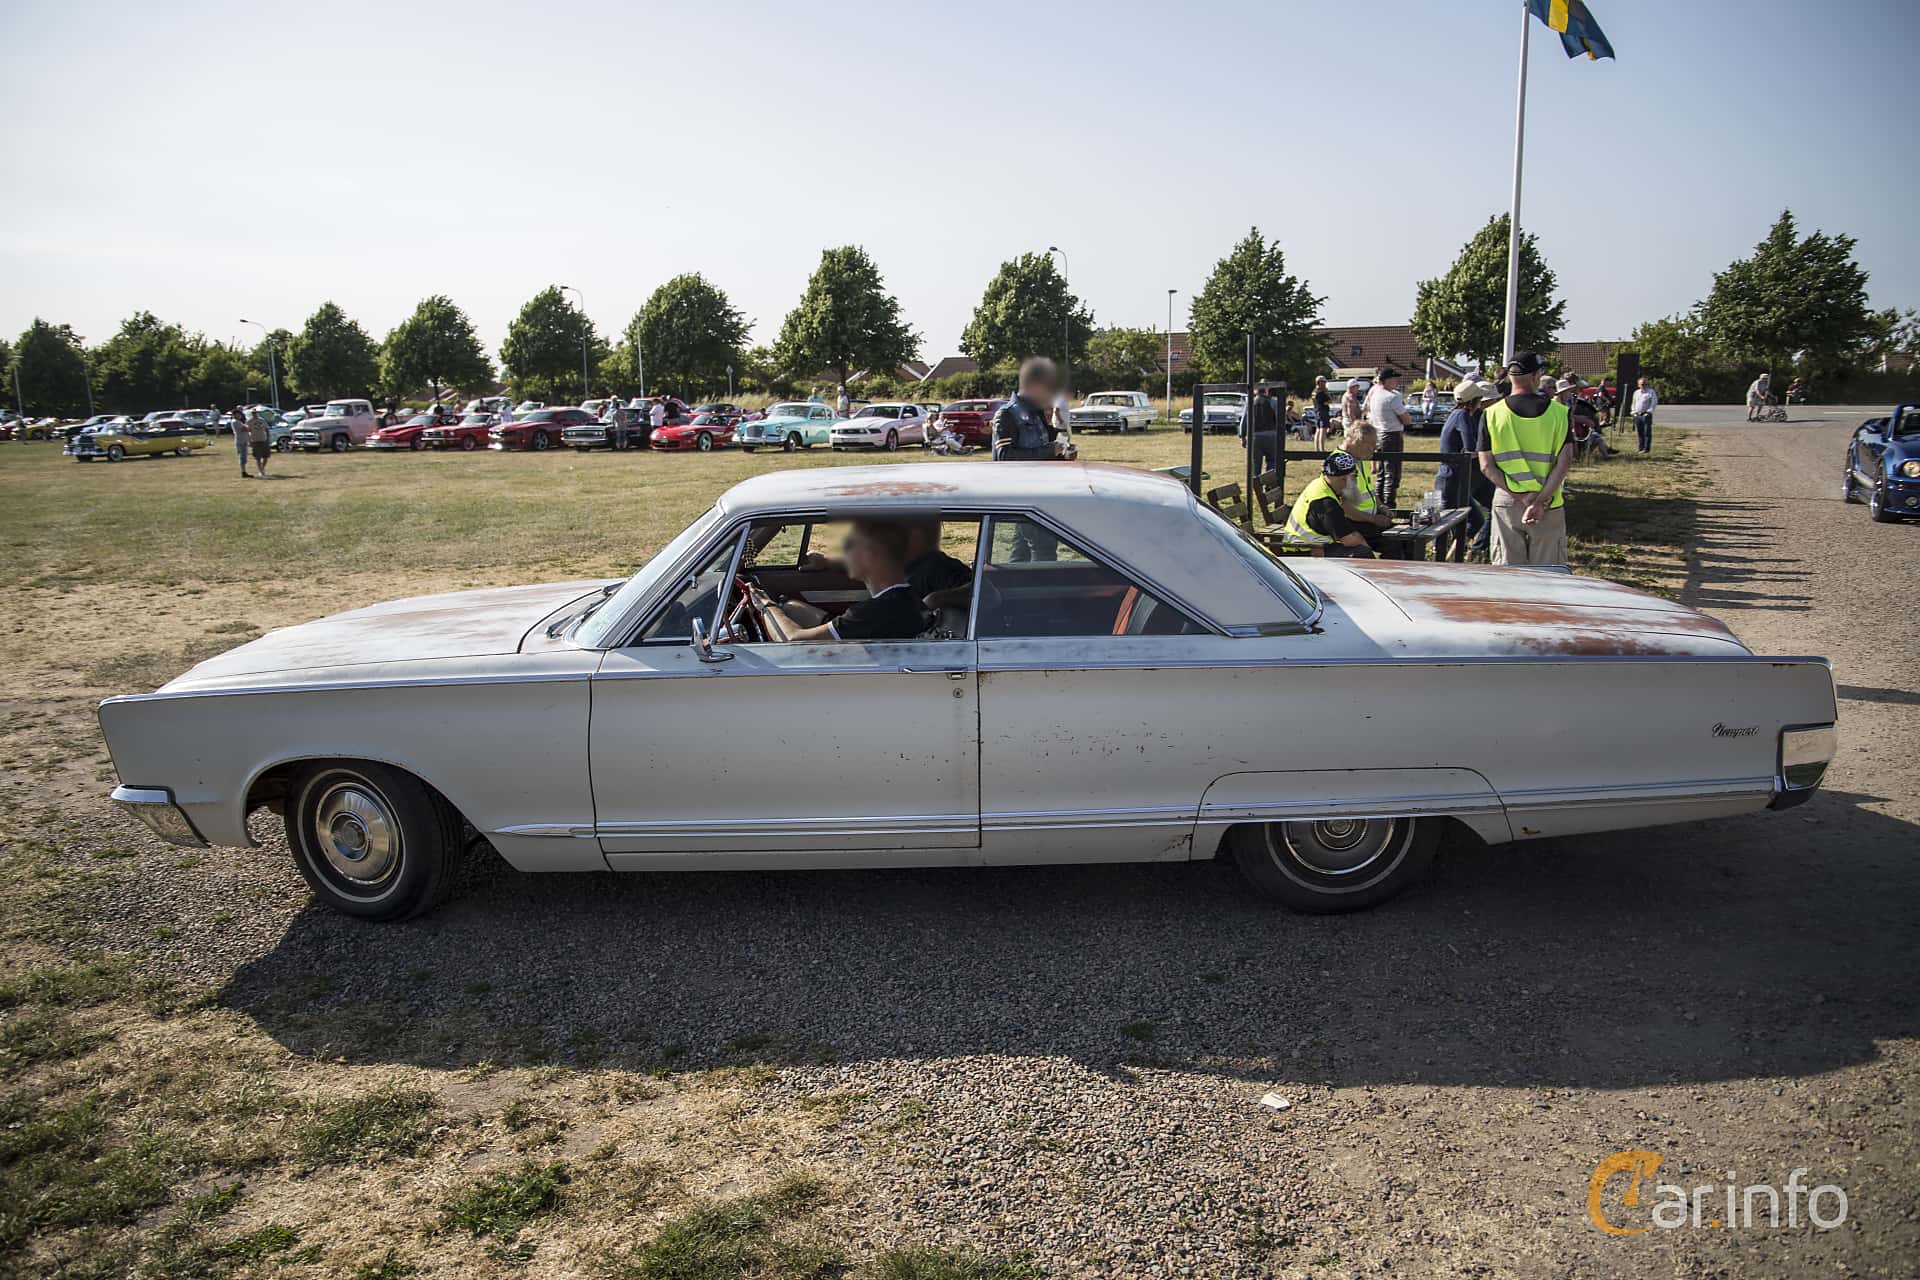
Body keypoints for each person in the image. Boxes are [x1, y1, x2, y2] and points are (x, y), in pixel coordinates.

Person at [1477, 352, 1575, 566]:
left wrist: (1521, 497)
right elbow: (1565, 461)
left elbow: (1486, 466)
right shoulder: (1559, 412)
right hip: (1549, 502)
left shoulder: (1492, 414)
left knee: (1508, 577)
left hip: (1508, 502)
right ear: (1536, 375)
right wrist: (1539, 501)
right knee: (1549, 574)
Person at [763, 521, 926, 642]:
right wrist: (826, 562)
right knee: (792, 607)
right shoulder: (906, 598)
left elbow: (794, 641)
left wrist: (766, 606)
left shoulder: (873, 613)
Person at [1282, 446, 1390, 556]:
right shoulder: (1326, 502)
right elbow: (1350, 540)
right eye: (1354, 476)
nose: (1356, 481)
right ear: (1343, 479)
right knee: (1362, 553)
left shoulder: (1323, 485)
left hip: (1315, 545)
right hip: (1304, 552)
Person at [1436, 380, 1494, 560]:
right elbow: (1471, 447)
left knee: (1474, 521)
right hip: (1454, 478)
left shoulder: (1455, 413)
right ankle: (1447, 558)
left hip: (1452, 477)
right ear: (1474, 400)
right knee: (1451, 524)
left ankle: (1453, 556)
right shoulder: (1463, 415)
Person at [1364, 366, 1413, 508]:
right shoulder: (1392, 397)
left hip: (1379, 433)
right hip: (1391, 435)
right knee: (1392, 472)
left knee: (1382, 471)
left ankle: (1378, 502)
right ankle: (1389, 504)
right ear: (1386, 380)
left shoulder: (1375, 394)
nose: (1397, 381)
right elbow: (1406, 419)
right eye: (1394, 379)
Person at [1245, 382, 1282, 477]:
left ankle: (1255, 484)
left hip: (1255, 436)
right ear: (1267, 389)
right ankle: (1269, 484)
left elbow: (1244, 420)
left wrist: (1242, 436)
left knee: (1255, 463)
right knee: (1272, 460)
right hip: (1271, 435)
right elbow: (1279, 419)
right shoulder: (1274, 402)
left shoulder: (1250, 402)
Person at [1630, 377, 1659, 454]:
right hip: (1637, 415)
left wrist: (1649, 412)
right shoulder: (1636, 392)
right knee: (1640, 432)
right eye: (1642, 384)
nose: (1643, 385)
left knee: (1647, 432)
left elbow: (1654, 402)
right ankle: (1640, 448)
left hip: (1646, 415)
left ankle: (1646, 449)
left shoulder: (1650, 392)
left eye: (1645, 384)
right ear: (1638, 385)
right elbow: (1633, 403)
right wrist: (1633, 412)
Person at [245, 407, 273, 478]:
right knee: (258, 457)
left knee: (266, 457)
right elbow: (247, 431)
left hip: (263, 439)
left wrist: (268, 438)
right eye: (253, 413)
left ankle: (262, 468)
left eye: (256, 413)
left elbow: (266, 429)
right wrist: (249, 441)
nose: (255, 414)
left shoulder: (262, 420)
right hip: (255, 440)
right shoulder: (249, 421)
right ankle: (260, 471)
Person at [1311, 375, 1332, 451]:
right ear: (1319, 382)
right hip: (1323, 411)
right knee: (1323, 430)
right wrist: (1327, 392)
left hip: (1316, 411)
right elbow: (1329, 401)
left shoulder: (1314, 391)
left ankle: (1316, 449)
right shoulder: (1321, 392)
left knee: (1318, 430)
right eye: (1324, 382)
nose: (1325, 383)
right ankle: (1322, 449)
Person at [231, 403, 251, 478]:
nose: (239, 415)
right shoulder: (235, 421)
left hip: (243, 440)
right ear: (234, 415)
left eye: (240, 414)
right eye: (237, 414)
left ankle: (244, 471)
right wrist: (247, 427)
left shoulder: (239, 421)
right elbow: (245, 429)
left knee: (244, 456)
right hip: (240, 441)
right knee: (242, 456)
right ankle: (243, 472)